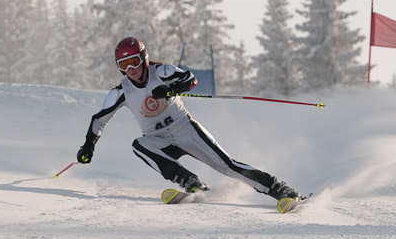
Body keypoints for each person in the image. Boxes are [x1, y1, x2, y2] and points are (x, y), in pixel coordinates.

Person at [76, 36, 303, 201]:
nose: (131, 69)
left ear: (144, 58)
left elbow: (190, 79)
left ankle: (279, 189)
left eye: (134, 62)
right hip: (159, 140)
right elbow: (99, 120)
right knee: (139, 145)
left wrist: (170, 89)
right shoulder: (121, 92)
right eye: (124, 65)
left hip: (186, 130)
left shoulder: (162, 71)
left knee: (227, 166)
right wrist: (88, 146)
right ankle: (190, 182)